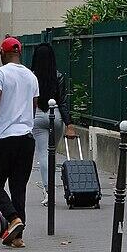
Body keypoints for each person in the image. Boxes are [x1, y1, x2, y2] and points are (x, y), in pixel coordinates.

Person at [0, 37, 38, 248]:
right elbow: (33, 108)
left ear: (3, 54)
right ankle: (17, 237)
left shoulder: (0, 73)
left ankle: (13, 218)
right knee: (18, 187)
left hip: (3, 137)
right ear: (20, 53)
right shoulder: (32, 77)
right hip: (26, 138)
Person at [29, 44, 75, 201]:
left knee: (43, 154)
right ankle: (51, 185)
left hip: (37, 115)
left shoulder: (31, 77)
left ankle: (49, 191)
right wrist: (69, 124)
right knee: (52, 153)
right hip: (55, 116)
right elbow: (63, 102)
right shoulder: (58, 76)